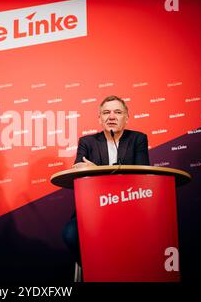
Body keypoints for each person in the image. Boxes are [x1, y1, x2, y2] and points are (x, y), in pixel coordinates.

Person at [63, 95, 150, 265]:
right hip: (93, 209)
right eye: (106, 113)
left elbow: (141, 175)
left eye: (118, 112)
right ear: (100, 118)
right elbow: (80, 173)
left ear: (126, 118)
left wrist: (95, 170)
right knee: (70, 233)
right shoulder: (87, 142)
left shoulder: (138, 139)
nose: (111, 117)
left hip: (130, 206)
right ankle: (94, 267)